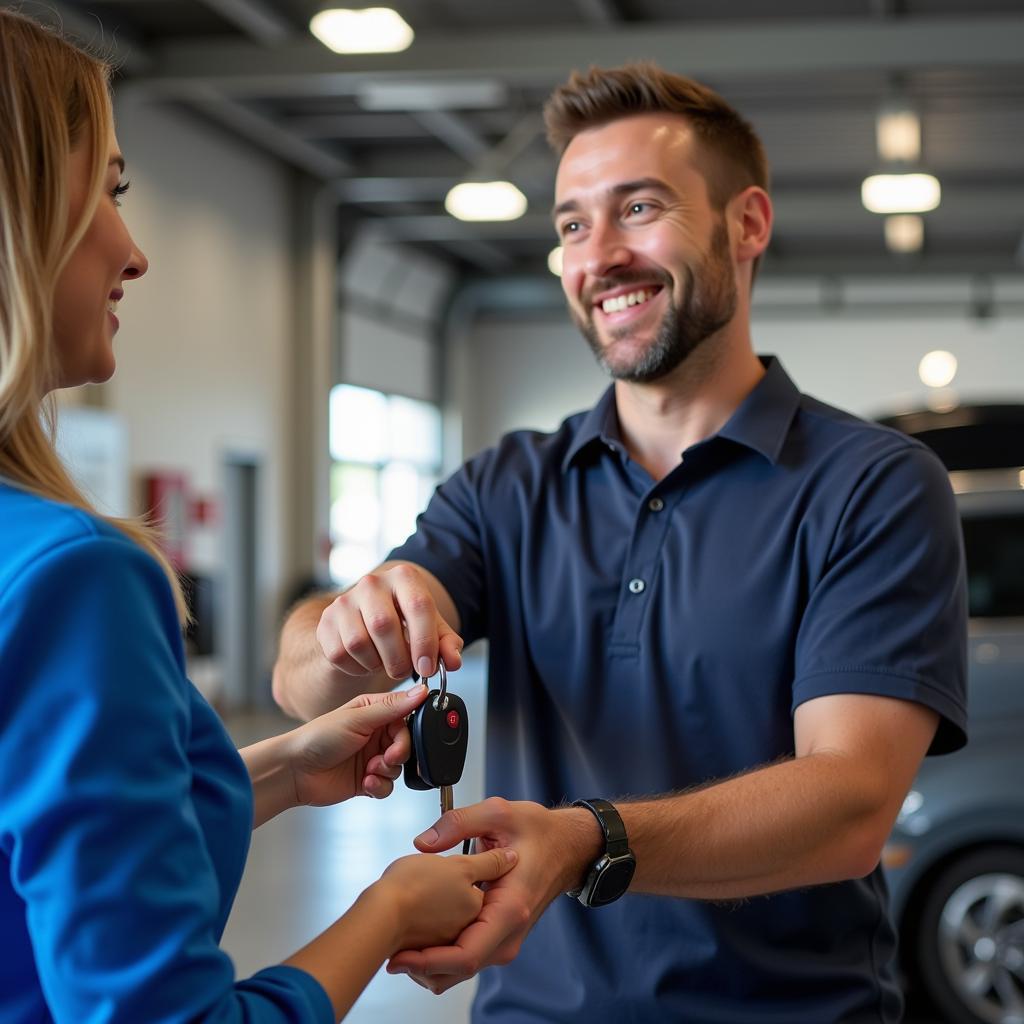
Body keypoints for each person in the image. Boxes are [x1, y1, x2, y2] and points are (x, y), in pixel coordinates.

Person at [273, 63, 968, 1024]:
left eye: (638, 208)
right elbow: (301, 683)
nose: (597, 255)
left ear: (748, 223)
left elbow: (851, 803)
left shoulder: (871, 484)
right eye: (570, 224)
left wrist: (586, 841)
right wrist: (348, 623)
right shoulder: (506, 486)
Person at [0, 11, 517, 1023]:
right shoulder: (76, 576)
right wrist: (388, 909)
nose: (134, 250)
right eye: (108, 193)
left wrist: (279, 767)